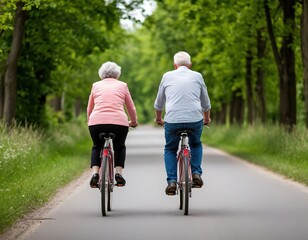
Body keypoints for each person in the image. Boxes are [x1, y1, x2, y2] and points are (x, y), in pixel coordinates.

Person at [154, 51, 211, 195]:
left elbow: (159, 103)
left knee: (170, 149)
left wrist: (159, 119)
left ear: (175, 65)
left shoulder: (167, 76)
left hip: (172, 120)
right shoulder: (197, 76)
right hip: (194, 119)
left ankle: (172, 181)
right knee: (196, 144)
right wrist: (207, 118)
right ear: (190, 65)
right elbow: (206, 103)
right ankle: (196, 173)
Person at [87, 61, 138, 188]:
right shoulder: (123, 85)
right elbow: (131, 108)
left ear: (101, 74)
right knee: (119, 146)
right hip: (119, 123)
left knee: (96, 146)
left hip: (96, 123)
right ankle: (118, 173)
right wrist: (134, 121)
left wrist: (90, 122)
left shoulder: (95, 86)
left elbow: (89, 108)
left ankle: (94, 174)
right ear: (117, 74)